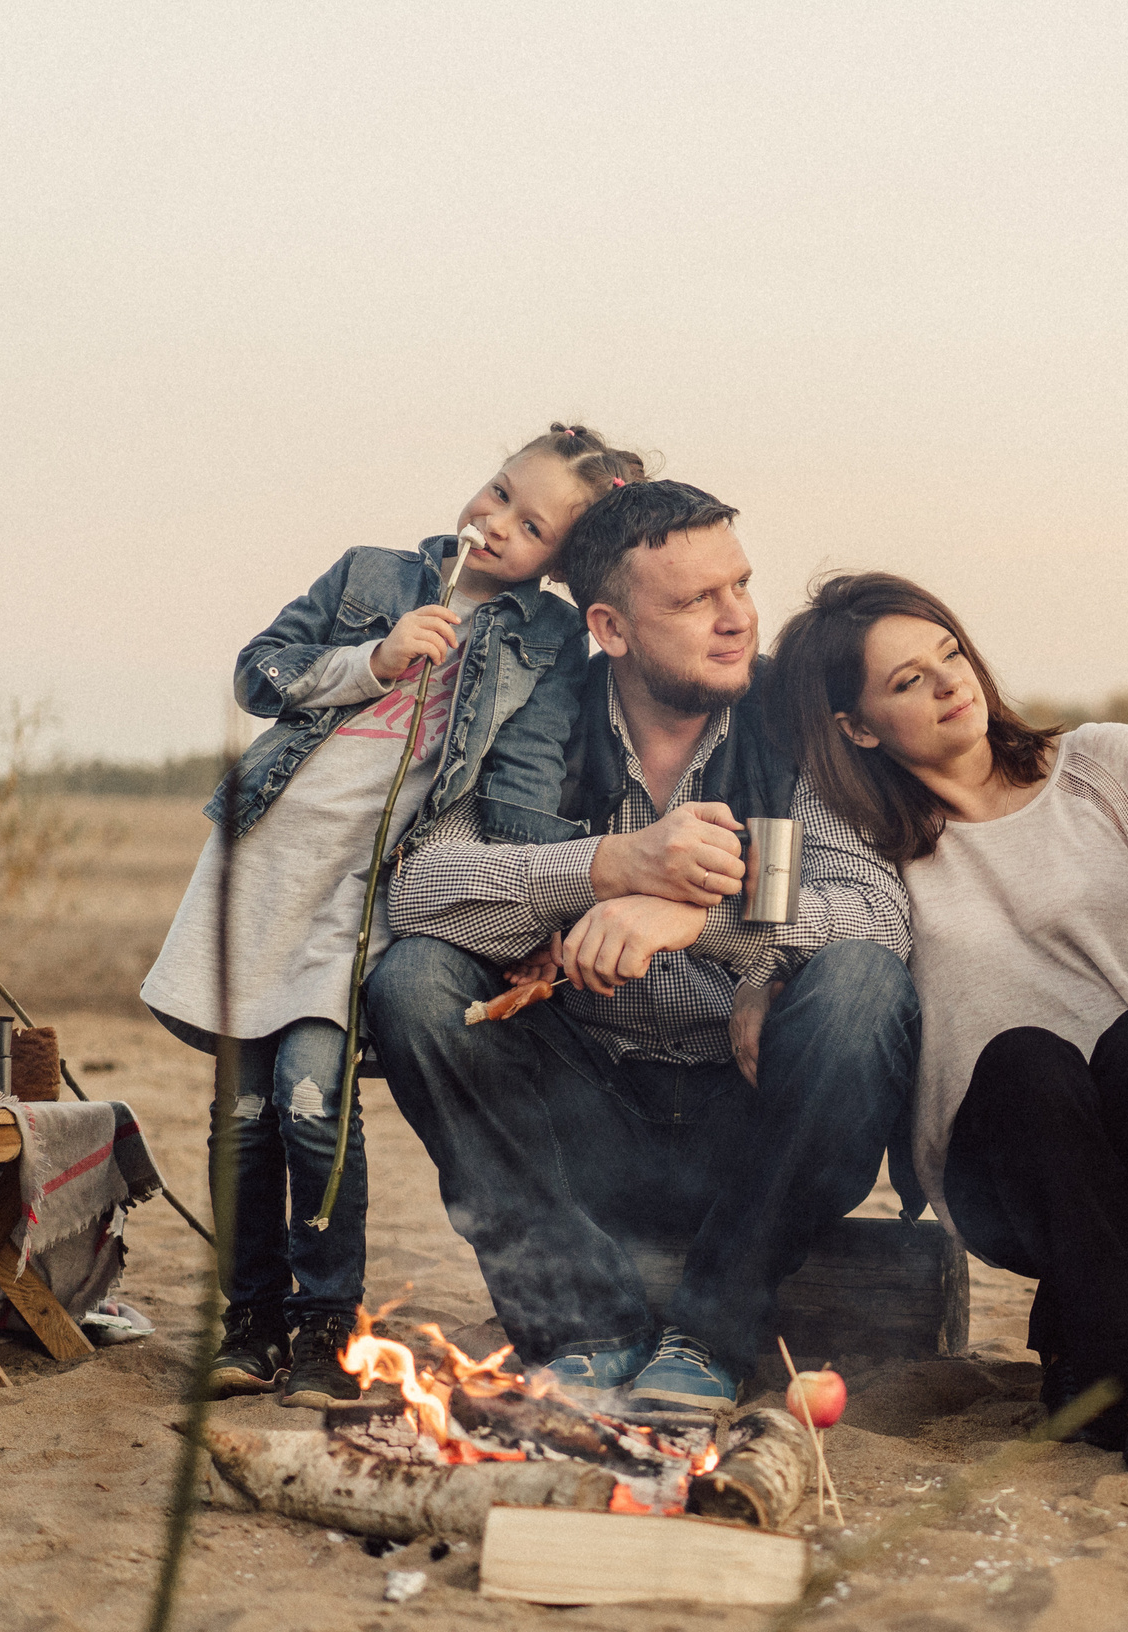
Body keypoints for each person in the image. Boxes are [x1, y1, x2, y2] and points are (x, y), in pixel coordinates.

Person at [365, 481, 918, 1415]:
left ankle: (709, 1336)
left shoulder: (794, 720)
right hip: (584, 1121)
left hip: (754, 1115)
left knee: (863, 985)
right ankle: (586, 1329)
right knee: (416, 981)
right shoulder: (532, 718)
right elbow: (420, 889)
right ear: (610, 628)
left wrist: (707, 924)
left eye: (740, 584)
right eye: (695, 600)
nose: (737, 618)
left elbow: (876, 915)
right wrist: (611, 866)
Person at [767, 573, 1128, 1471]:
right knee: (1026, 1060)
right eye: (908, 680)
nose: (950, 682)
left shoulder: (1105, 767)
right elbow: (814, 926)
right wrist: (760, 978)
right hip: (1008, 1169)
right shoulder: (863, 839)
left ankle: (1099, 1347)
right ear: (856, 727)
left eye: (950, 652)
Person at [143, 423, 639, 1406]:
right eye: (499, 491)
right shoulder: (371, 572)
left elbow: (521, 781)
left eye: (531, 526)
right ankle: (251, 1322)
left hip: (360, 893)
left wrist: (535, 903)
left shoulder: (546, 640)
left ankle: (329, 1323)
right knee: (242, 1113)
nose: (495, 522)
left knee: (312, 1098)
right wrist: (373, 659)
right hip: (263, 868)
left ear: (561, 561)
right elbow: (258, 672)